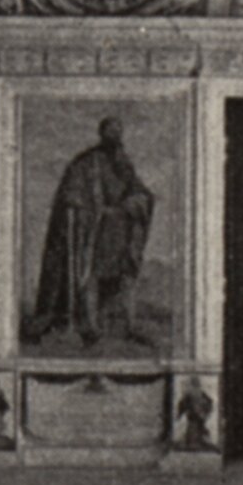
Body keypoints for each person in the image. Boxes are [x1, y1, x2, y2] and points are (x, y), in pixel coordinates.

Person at [24, 115, 157, 349]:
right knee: (90, 277)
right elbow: (71, 192)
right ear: (102, 133)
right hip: (96, 232)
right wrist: (76, 203)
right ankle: (89, 329)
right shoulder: (86, 163)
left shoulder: (123, 162)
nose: (115, 136)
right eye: (111, 131)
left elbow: (139, 190)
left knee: (124, 278)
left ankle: (125, 326)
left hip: (120, 232)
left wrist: (139, 200)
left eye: (118, 131)